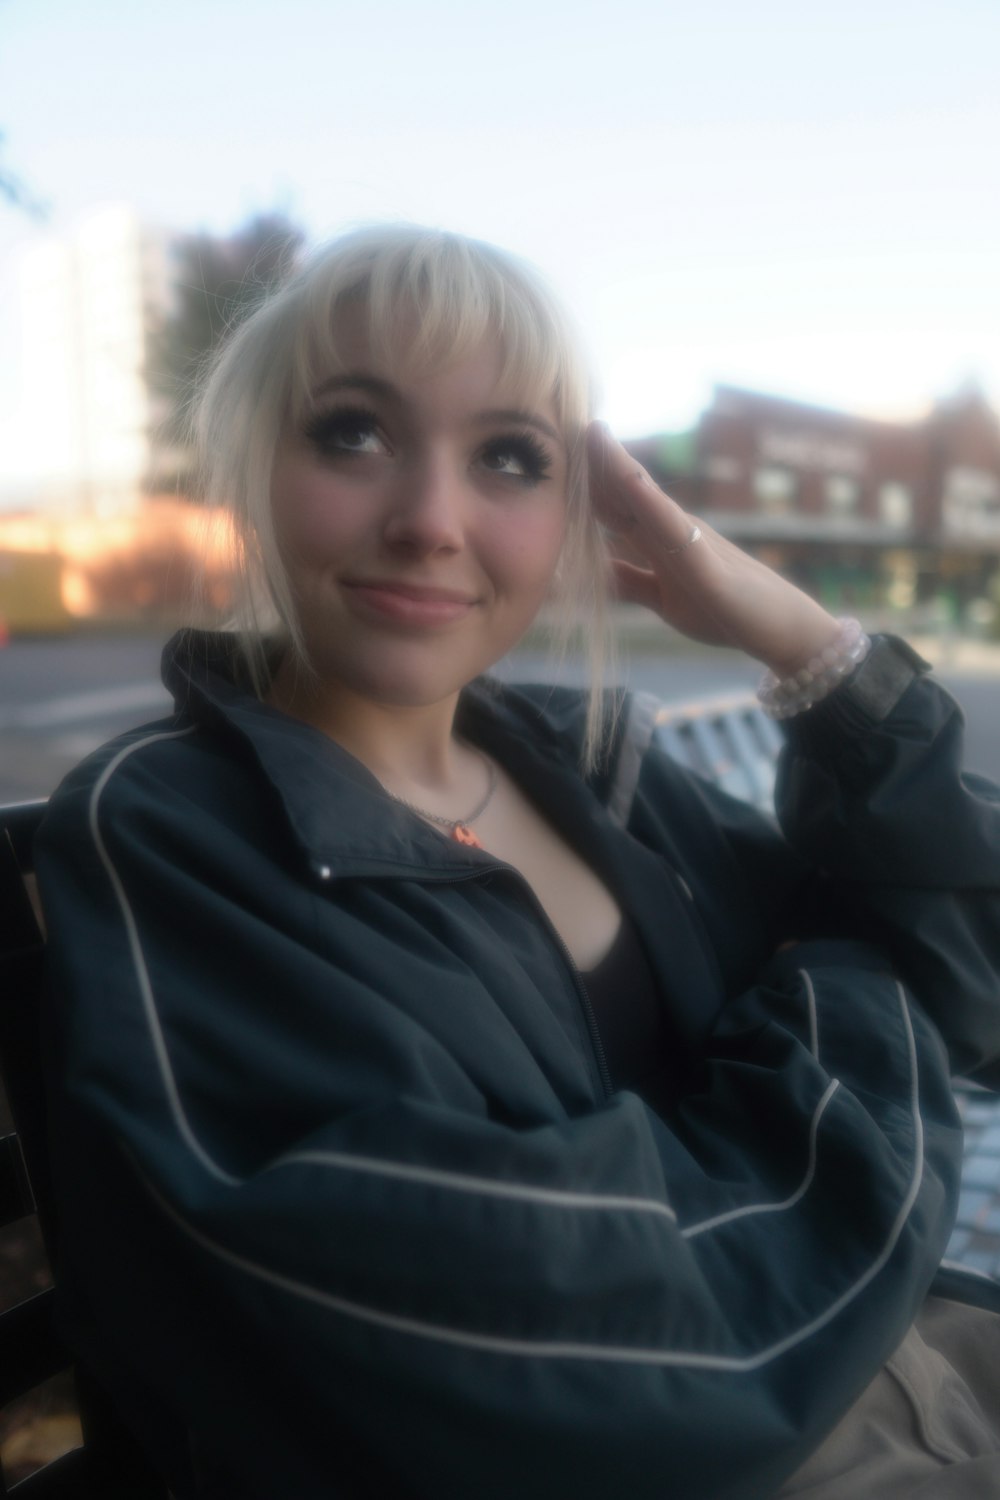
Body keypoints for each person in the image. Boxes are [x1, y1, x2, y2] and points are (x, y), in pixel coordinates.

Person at [36, 225, 1000, 1499]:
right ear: (255, 470)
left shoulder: (589, 761)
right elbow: (548, 1343)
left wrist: (802, 644)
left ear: (575, 511)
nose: (431, 520)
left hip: (901, 1359)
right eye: (351, 432)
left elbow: (968, 982)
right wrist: (842, 988)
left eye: (509, 457)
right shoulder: (173, 829)